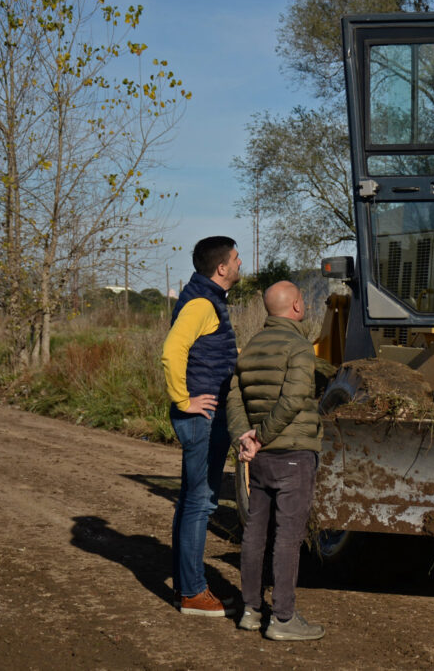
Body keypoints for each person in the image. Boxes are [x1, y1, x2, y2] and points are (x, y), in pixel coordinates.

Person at [227, 281, 325, 641]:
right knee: (287, 537)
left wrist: (247, 438)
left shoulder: (250, 348)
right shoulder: (299, 347)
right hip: (293, 453)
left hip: (260, 457)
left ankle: (251, 610)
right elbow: (296, 397)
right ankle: (283, 618)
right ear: (297, 306)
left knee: (254, 532)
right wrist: (264, 435)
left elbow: (233, 398)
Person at [161, 235, 241, 616]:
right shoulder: (200, 303)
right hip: (201, 416)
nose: (241, 264)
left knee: (192, 501)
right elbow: (172, 350)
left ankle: (186, 587)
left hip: (202, 415)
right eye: (236, 259)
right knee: (199, 503)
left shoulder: (207, 299)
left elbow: (206, 350)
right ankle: (193, 593)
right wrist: (183, 400)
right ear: (222, 267)